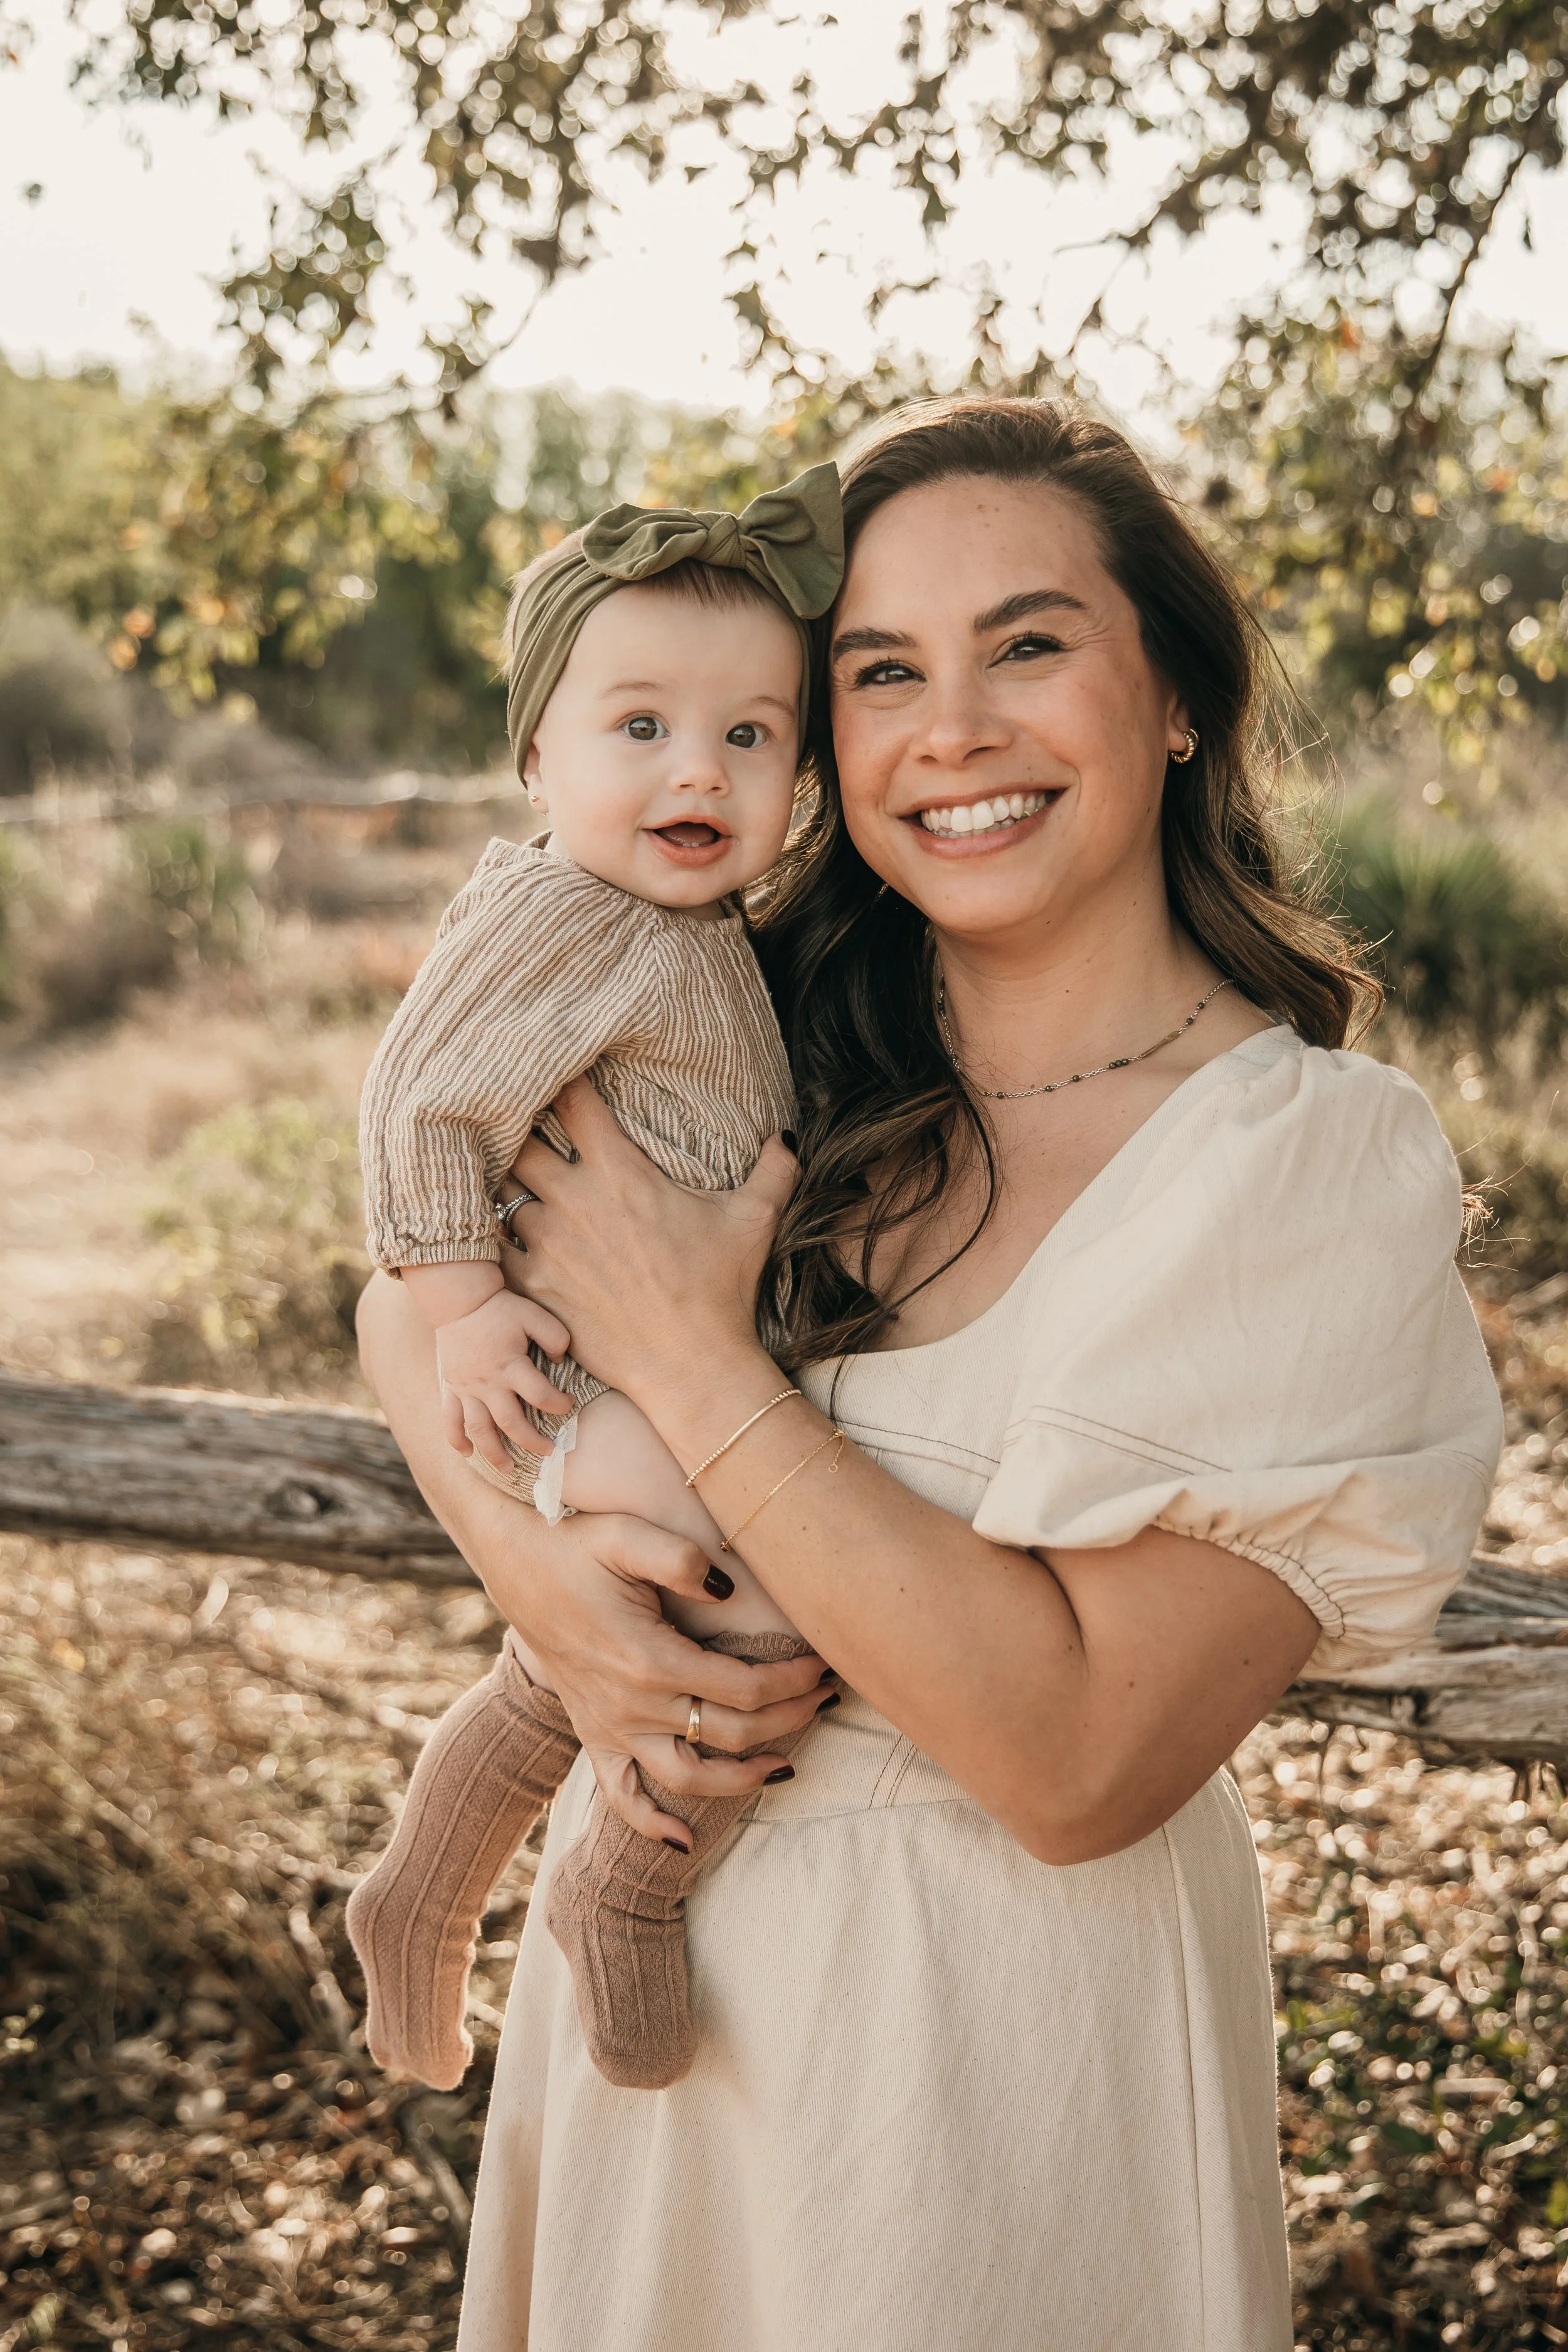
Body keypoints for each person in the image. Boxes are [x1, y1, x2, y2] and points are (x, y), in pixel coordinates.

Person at [356, 397, 1503, 2352]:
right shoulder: (750, 1025)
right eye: (881, 673)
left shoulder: (1306, 1163)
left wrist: (689, 1353)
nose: (949, 728)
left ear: (1174, 698)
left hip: (996, 2073)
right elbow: (415, 1274)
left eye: (1029, 644)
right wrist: (556, 1596)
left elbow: (1076, 1763)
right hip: (648, 2053)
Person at [347, 469, 845, 2094]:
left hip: (639, 1364)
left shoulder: (667, 918)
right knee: (749, 1602)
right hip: (572, 1368)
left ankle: (417, 1892)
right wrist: (460, 1307)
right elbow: (419, 1096)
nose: (698, 766)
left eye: (749, 735)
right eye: (638, 727)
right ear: (537, 755)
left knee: (565, 1664)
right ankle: (619, 1886)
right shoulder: (577, 912)